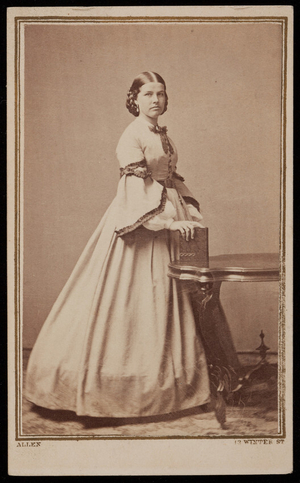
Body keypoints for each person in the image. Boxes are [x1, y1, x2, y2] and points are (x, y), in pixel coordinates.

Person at [25, 71, 211, 418]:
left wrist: (190, 209)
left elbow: (171, 178)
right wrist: (171, 220)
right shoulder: (132, 135)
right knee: (133, 300)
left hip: (167, 213)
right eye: (148, 94)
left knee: (164, 299)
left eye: (161, 94)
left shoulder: (162, 134)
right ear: (135, 100)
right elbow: (134, 192)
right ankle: (118, 390)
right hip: (140, 223)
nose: (156, 100)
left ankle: (169, 386)